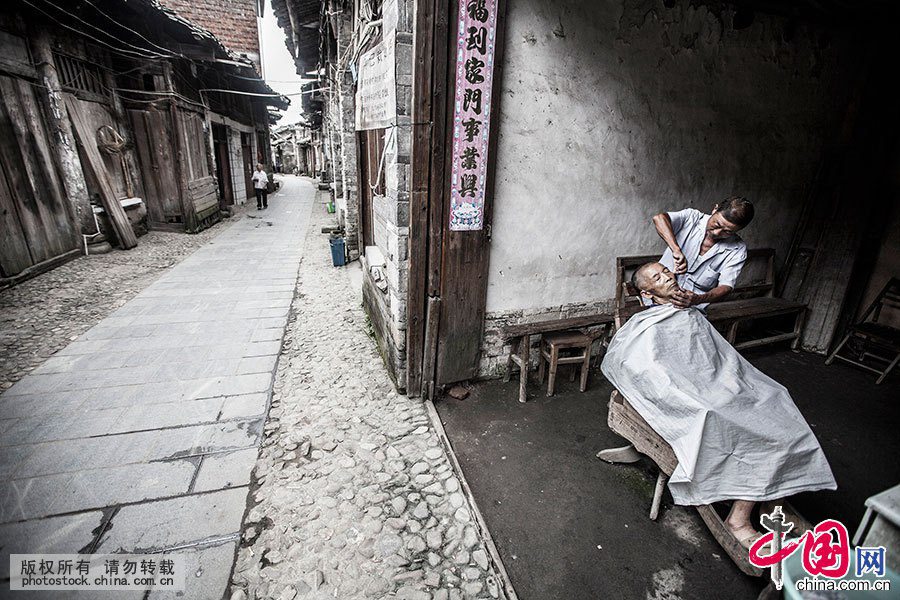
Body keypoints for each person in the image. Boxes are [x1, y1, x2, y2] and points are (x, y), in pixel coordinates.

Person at [602, 262, 836, 548]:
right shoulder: (648, 327)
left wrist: (730, 384)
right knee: (746, 430)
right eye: (657, 278)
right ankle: (738, 520)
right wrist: (693, 396)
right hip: (698, 399)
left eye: (666, 271)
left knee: (777, 403)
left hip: (722, 387)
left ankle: (774, 501)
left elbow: (719, 360)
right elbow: (643, 369)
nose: (667, 276)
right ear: (648, 294)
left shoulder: (690, 313)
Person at [651, 196, 755, 310]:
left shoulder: (737, 249)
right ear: (715, 209)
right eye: (717, 225)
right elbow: (659, 219)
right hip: (657, 301)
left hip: (694, 308)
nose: (717, 232)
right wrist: (676, 250)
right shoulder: (692, 218)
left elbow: (726, 286)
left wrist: (698, 299)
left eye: (727, 232)